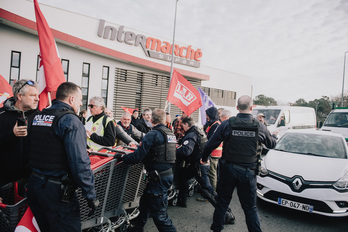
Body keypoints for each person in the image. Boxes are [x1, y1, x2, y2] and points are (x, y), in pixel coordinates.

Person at [26, 82, 98, 231]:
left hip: (35, 186)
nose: (80, 104)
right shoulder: (71, 121)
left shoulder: (39, 116)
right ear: (71, 99)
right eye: (79, 100)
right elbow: (79, 162)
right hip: (57, 191)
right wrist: (90, 195)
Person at [201, 95, 277, 232]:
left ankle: (216, 229)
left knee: (222, 204)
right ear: (252, 108)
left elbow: (211, 144)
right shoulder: (259, 126)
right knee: (250, 209)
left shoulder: (227, 124)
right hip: (248, 173)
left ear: (237, 108)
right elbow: (271, 144)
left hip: (228, 170)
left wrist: (204, 158)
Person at [115, 109, 177, 232]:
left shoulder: (152, 134)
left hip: (158, 177)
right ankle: (138, 228)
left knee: (160, 215)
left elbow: (139, 155)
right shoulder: (170, 134)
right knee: (145, 203)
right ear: (164, 120)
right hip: (165, 175)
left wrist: (122, 157)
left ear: (152, 120)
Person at [175, 117, 235, 223]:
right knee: (183, 176)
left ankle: (226, 212)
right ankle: (182, 200)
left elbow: (186, 151)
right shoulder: (198, 131)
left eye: (182, 125)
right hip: (198, 164)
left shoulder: (191, 134)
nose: (181, 127)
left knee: (208, 189)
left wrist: (175, 150)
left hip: (199, 165)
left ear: (186, 125)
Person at [0, 79, 39, 189]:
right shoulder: (1, 116)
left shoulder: (40, 117)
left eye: (38, 95)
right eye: (32, 95)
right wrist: (11, 134)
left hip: (33, 184)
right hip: (5, 184)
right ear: (20, 96)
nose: (37, 99)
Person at [205, 107, 222, 191]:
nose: (206, 116)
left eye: (207, 115)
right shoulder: (213, 124)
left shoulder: (216, 125)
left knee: (212, 173)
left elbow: (210, 141)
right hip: (214, 153)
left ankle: (211, 193)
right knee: (212, 172)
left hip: (214, 153)